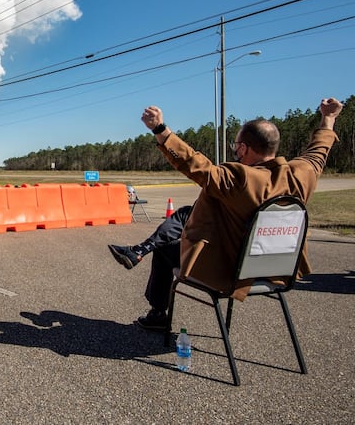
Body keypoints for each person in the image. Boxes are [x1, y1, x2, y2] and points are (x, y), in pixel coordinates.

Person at [127, 97, 342, 331]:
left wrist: (160, 129)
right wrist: (328, 118)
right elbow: (319, 151)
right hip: (280, 272)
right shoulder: (303, 174)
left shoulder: (239, 178)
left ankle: (158, 315)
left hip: (232, 272)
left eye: (236, 145)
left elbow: (195, 164)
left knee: (164, 252)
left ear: (243, 148)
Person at [108, 205, 192, 269]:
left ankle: (139, 251)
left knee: (186, 212)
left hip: (195, 263)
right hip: (202, 265)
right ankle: (138, 251)